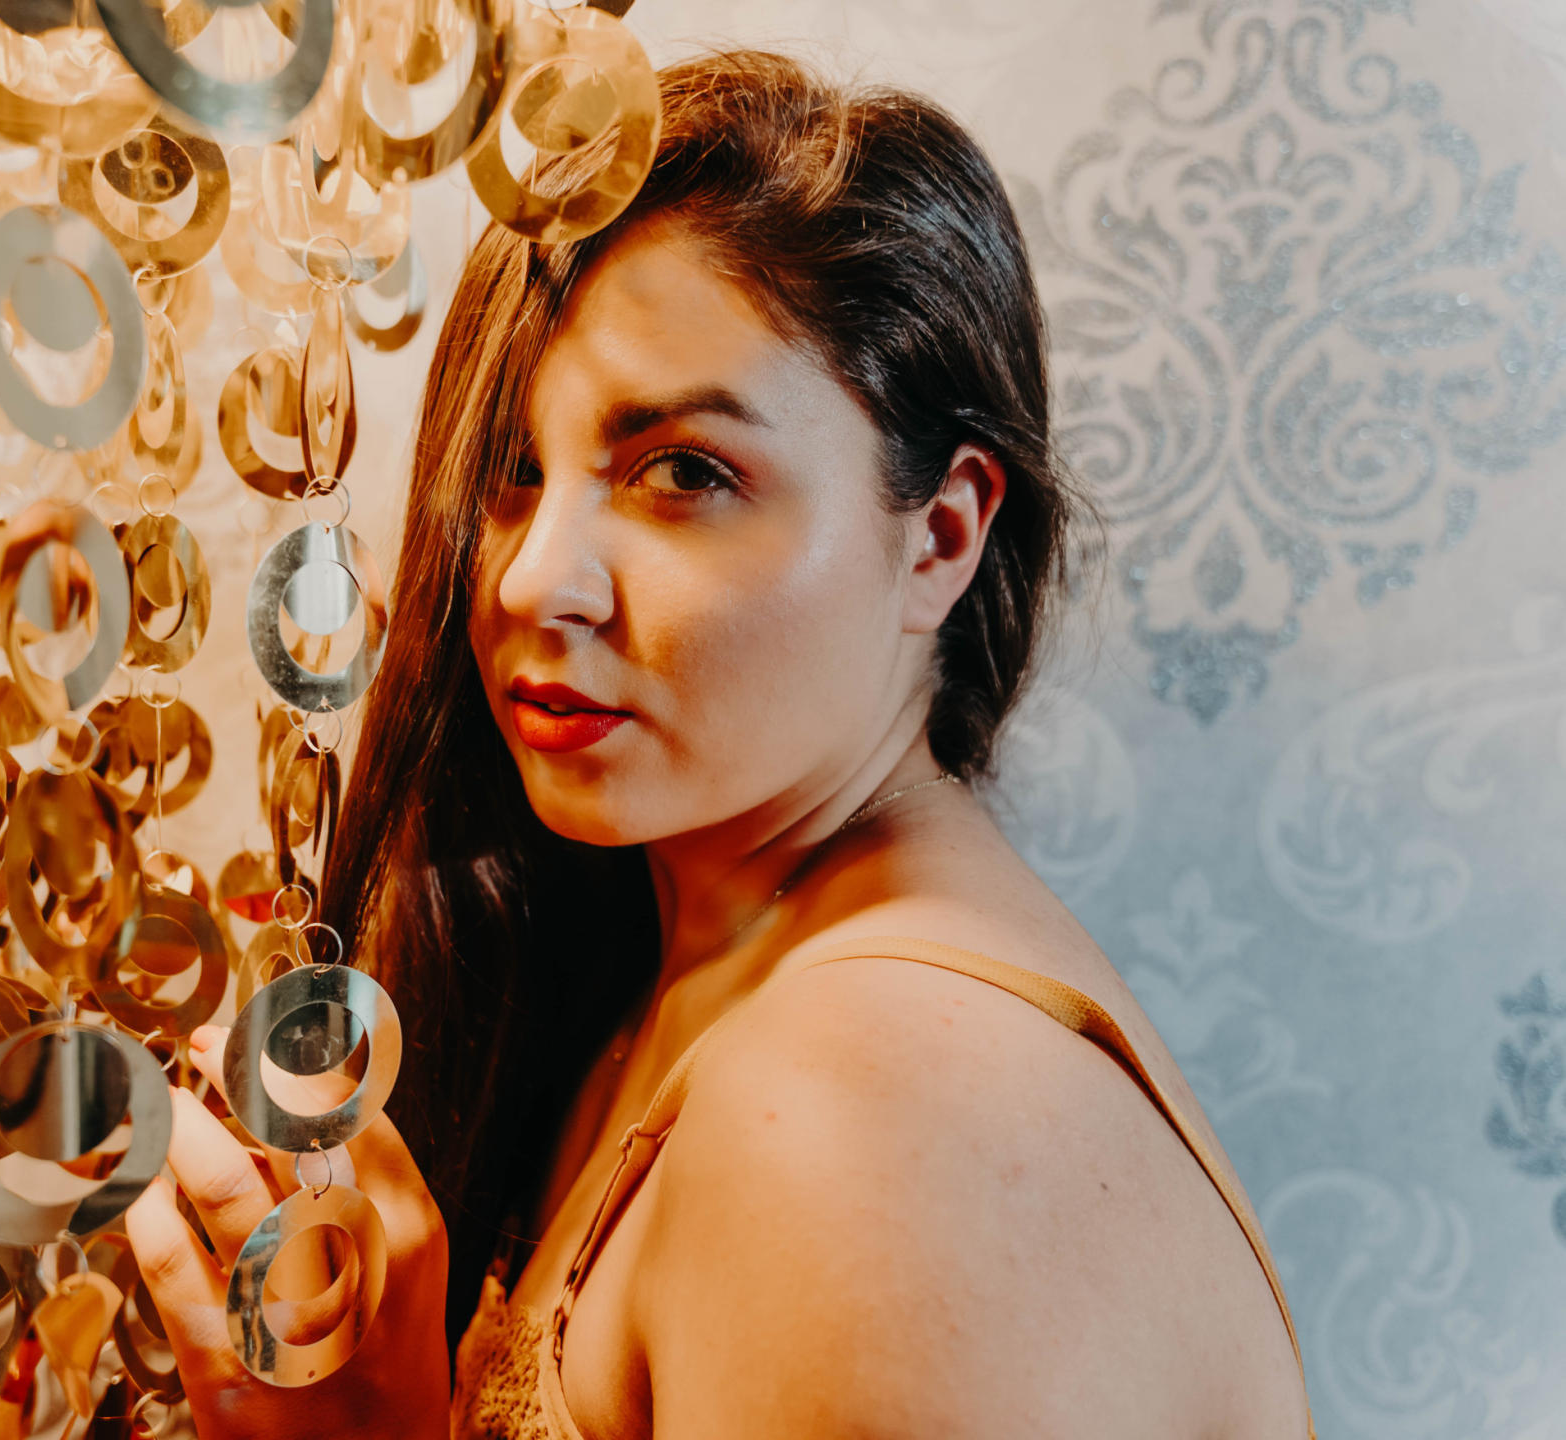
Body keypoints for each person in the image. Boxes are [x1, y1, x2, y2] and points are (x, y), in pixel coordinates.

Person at [127, 48, 1315, 1440]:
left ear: (940, 535)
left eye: (683, 473)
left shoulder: (865, 1119)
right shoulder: (689, 969)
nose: (531, 580)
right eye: (513, 471)